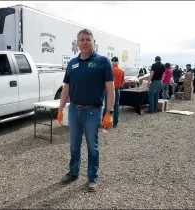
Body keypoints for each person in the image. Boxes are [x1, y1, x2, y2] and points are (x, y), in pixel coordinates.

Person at [57, 28, 115, 192]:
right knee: (74, 145)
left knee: (92, 146)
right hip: (74, 111)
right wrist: (61, 109)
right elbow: (66, 88)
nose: (84, 42)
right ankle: (73, 172)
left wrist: (109, 112)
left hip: (92, 112)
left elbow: (111, 90)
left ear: (93, 42)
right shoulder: (72, 63)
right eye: (81, 40)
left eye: (87, 39)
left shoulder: (103, 62)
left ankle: (92, 178)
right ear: (77, 43)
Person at [103, 56, 124, 128]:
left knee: (107, 106)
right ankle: (115, 123)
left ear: (111, 62)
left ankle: (104, 121)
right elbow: (122, 82)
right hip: (117, 89)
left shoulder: (108, 70)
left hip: (108, 90)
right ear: (118, 62)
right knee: (116, 105)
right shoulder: (121, 71)